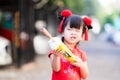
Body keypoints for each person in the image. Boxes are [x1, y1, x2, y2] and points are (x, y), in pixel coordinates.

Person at [48, 9, 92, 80]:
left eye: (77, 31)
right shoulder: (55, 49)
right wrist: (56, 56)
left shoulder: (81, 54)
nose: (73, 33)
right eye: (69, 29)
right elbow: (56, 69)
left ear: (82, 35)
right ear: (62, 32)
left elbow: (85, 76)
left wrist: (82, 65)